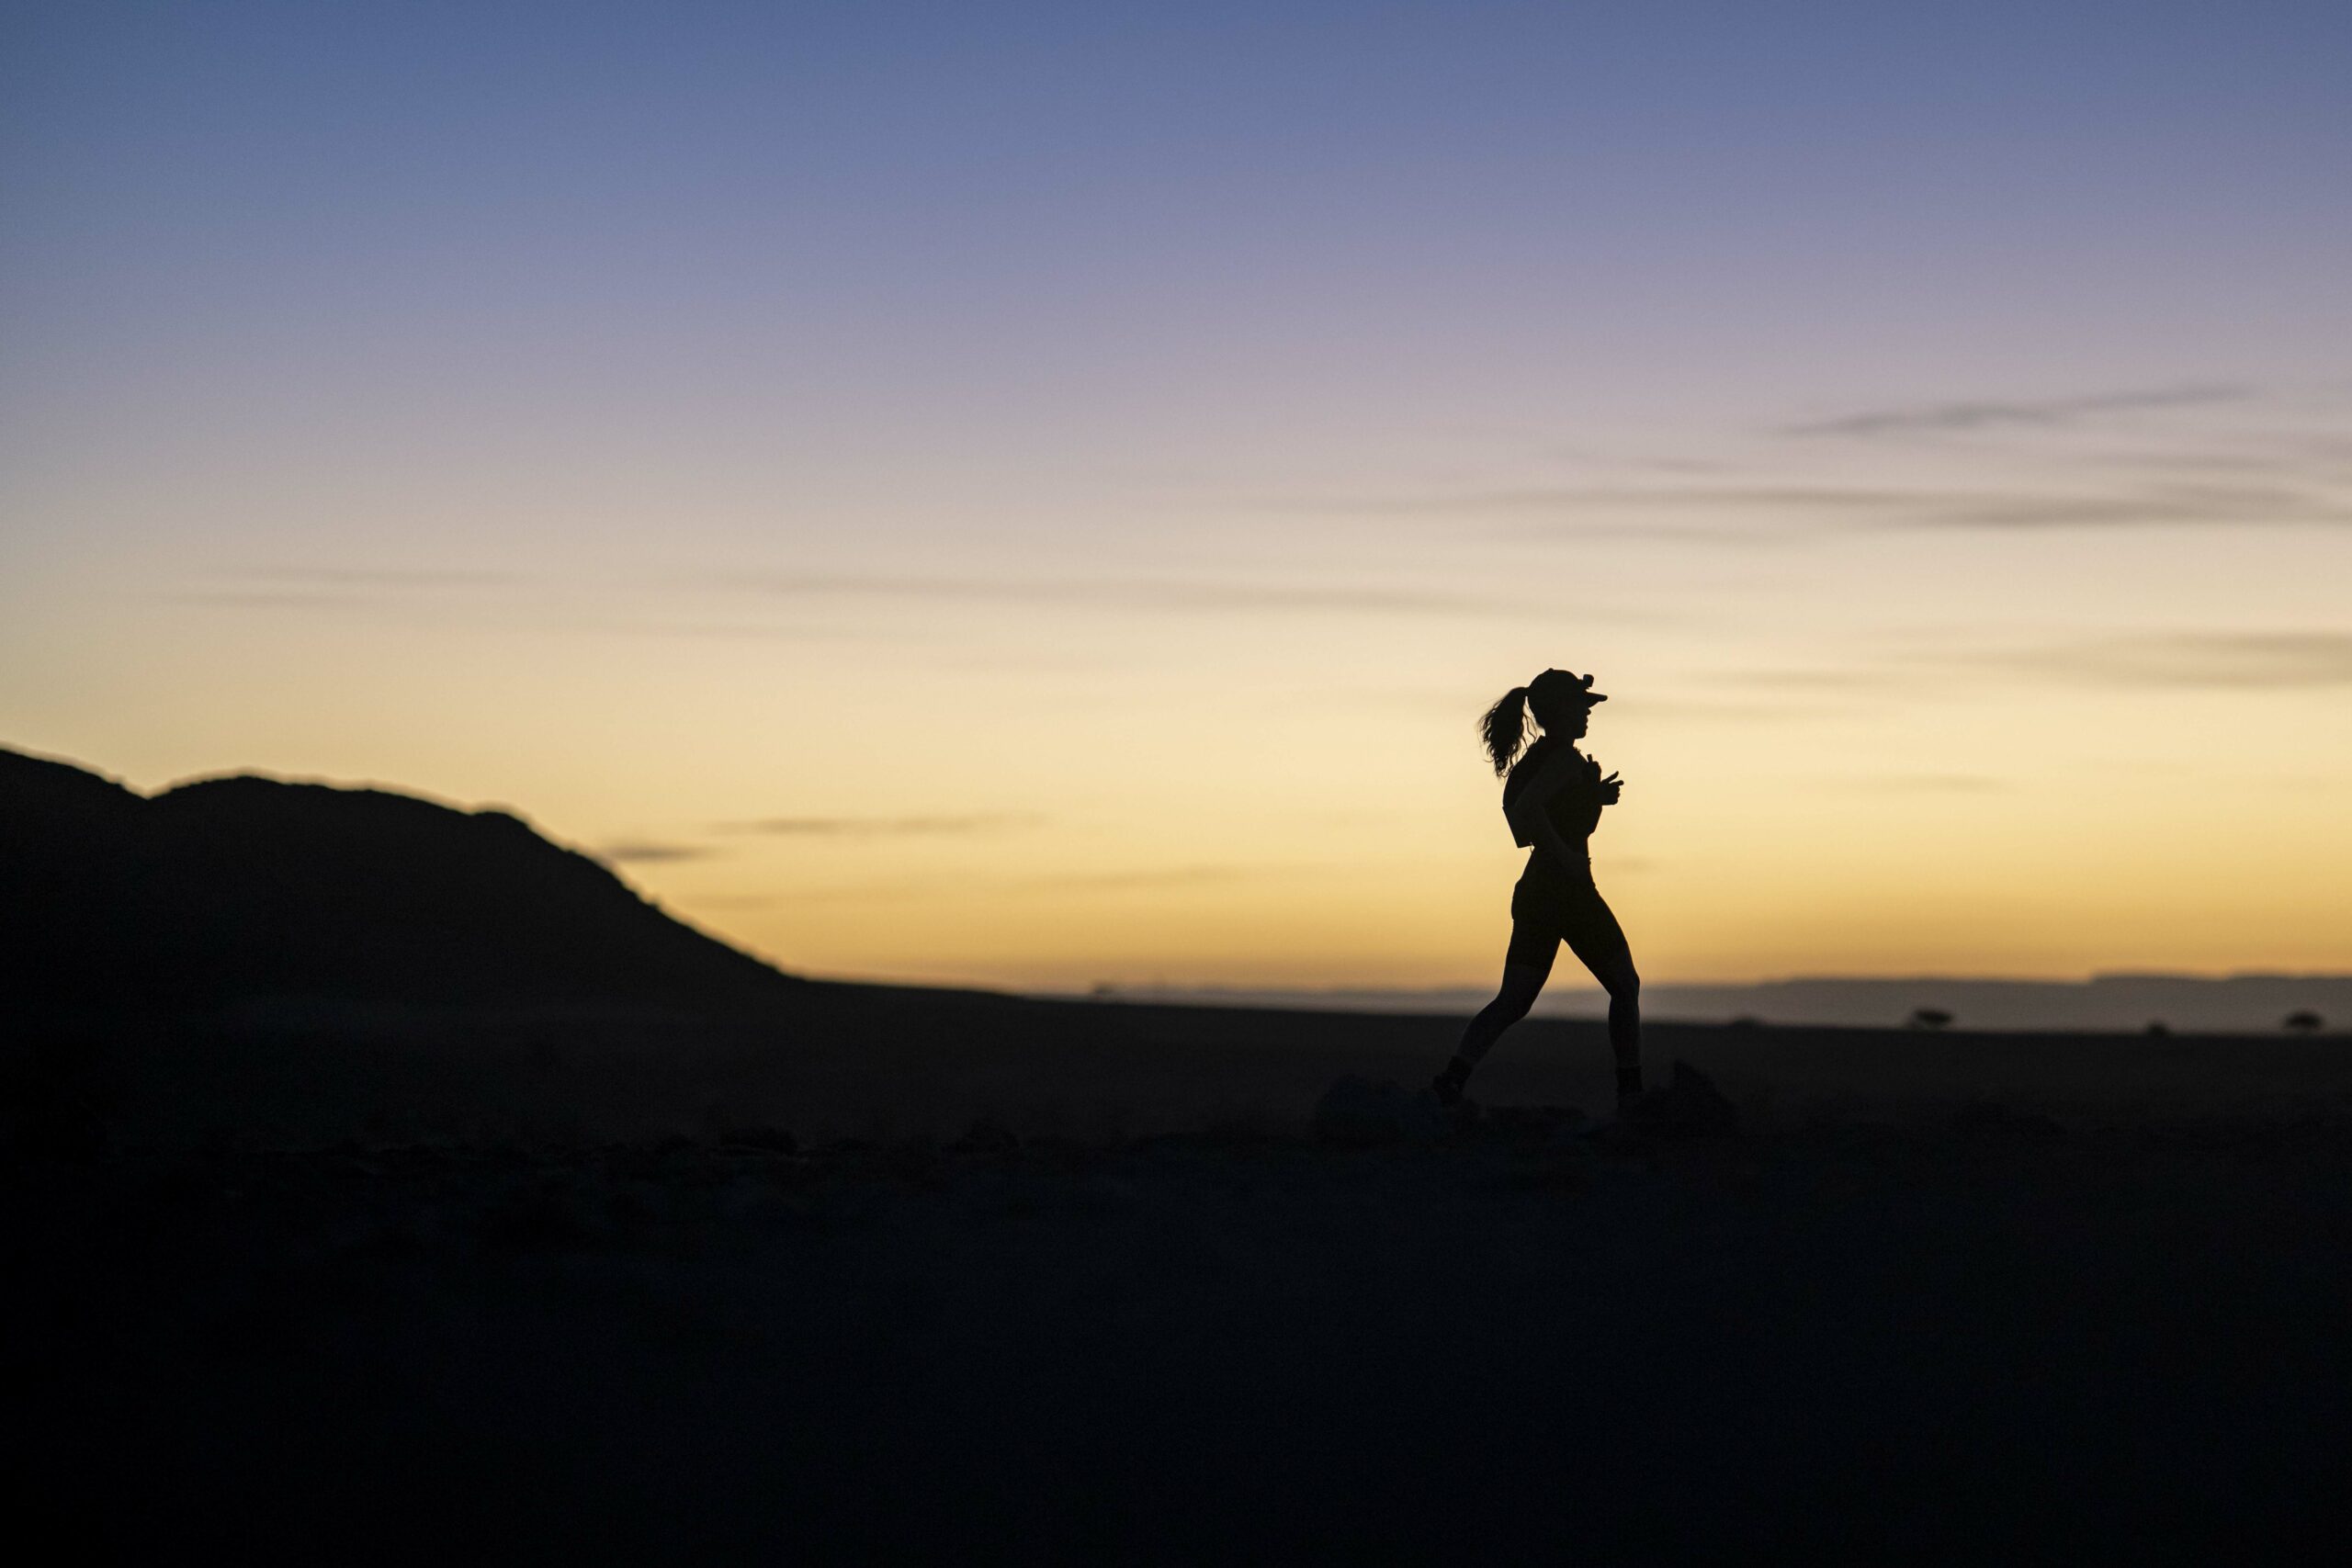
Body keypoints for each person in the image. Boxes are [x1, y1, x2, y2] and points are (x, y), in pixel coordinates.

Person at [1430, 669, 1641, 1110]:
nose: (1588, 713)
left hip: (1539, 894)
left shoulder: (1546, 760)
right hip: (1567, 893)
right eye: (1583, 706)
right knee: (1625, 986)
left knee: (1513, 1001)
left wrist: (1591, 797)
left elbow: (1532, 811)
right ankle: (1631, 1095)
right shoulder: (1562, 759)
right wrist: (1568, 859)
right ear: (1562, 710)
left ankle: (1450, 1082)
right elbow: (1527, 812)